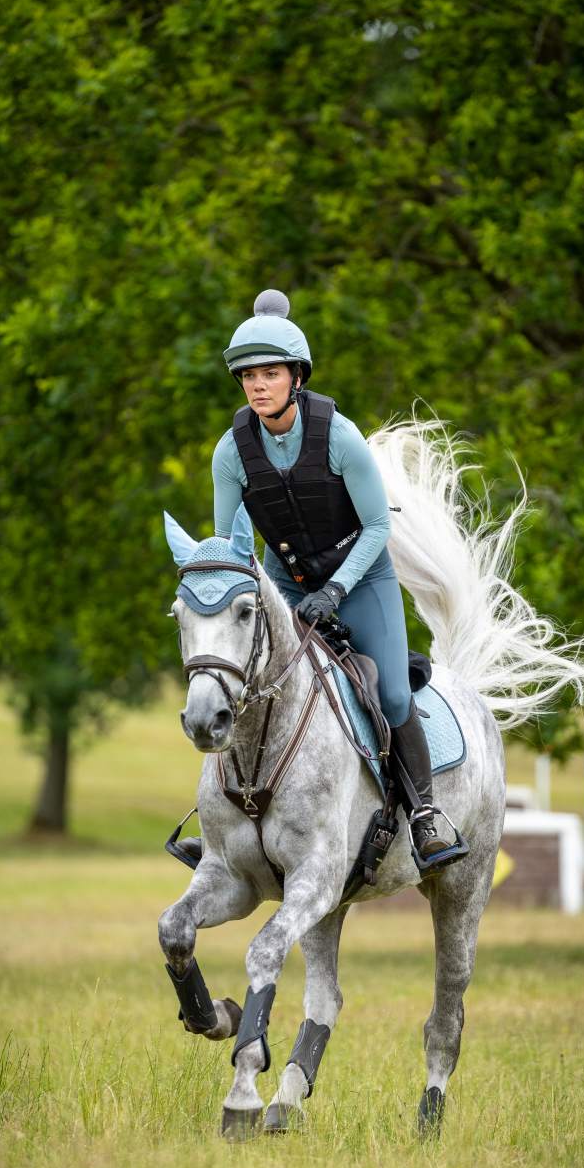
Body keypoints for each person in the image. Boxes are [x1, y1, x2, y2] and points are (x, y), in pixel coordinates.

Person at [195, 288, 462, 870]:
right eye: (248, 376)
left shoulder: (340, 436)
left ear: (296, 376)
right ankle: (220, 824)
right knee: (241, 682)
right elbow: (230, 546)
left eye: (269, 373)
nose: (258, 384)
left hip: (361, 578)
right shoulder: (230, 453)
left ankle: (423, 815)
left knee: (389, 691)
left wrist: (336, 590)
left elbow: (374, 528)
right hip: (284, 584)